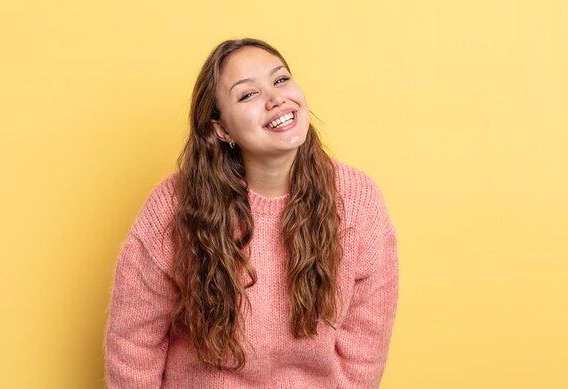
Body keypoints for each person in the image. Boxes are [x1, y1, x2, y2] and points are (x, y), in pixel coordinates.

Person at [104, 38, 399, 388]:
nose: (276, 99)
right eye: (248, 95)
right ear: (222, 128)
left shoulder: (358, 203)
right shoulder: (173, 208)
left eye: (280, 80)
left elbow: (363, 353)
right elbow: (133, 343)